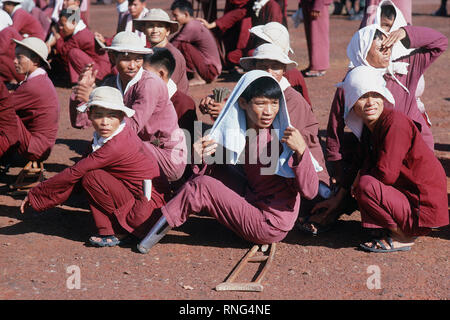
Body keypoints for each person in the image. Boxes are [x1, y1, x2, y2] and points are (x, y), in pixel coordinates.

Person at [136, 70, 319, 253]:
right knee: (213, 168)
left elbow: (310, 192)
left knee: (201, 187)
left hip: (270, 223)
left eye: (274, 103)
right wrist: (199, 156)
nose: (269, 112)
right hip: (253, 197)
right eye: (261, 104)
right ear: (243, 103)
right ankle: (169, 213)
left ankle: (146, 233)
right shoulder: (245, 131)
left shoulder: (282, 139)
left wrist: (301, 151)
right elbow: (214, 164)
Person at [320, 24, 447, 235]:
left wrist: (406, 33)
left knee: (368, 182)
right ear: (362, 50)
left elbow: (439, 42)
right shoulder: (352, 83)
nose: (387, 50)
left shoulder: (404, 68)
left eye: (389, 45)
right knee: (357, 163)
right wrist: (339, 182)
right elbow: (335, 130)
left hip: (409, 158)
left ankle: (401, 231)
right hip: (378, 153)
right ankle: (375, 220)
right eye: (381, 47)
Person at [20, 86, 170, 247]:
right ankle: (112, 225)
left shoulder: (116, 145)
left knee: (91, 177)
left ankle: (119, 230)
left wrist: (37, 194)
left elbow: (75, 171)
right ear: (89, 115)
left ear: (121, 117)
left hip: (147, 211)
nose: (105, 122)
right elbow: (81, 164)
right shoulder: (111, 135)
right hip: (146, 202)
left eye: (111, 116)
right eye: (99, 116)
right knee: (90, 173)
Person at [70, 31, 187, 183]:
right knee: (96, 147)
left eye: (138, 59)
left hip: (166, 155)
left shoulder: (149, 84)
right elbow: (80, 123)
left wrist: (93, 100)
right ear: (112, 58)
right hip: (138, 148)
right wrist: (82, 94)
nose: (133, 65)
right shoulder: (110, 83)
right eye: (126, 59)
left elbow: (131, 129)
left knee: (108, 148)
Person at [5, 37, 59, 164]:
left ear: (35, 60)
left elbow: (5, 106)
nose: (14, 61)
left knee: (5, 115)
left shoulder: (34, 85)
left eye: (19, 57)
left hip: (34, 148)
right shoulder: (40, 79)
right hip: (39, 145)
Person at [46, 8, 112, 85]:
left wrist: (57, 37)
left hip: (101, 73)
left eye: (62, 25)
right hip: (102, 68)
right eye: (59, 25)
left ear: (73, 23)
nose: (60, 28)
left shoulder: (80, 36)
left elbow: (63, 51)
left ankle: (94, 80)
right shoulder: (80, 31)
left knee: (73, 53)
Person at [133, 8, 189, 94]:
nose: (155, 30)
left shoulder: (172, 55)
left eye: (159, 26)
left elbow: (166, 90)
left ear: (167, 31)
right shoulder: (148, 52)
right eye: (151, 26)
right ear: (144, 30)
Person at [170, 0, 222, 86]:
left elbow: (173, 45)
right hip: (208, 67)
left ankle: (198, 77)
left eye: (175, 16)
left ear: (186, 14)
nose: (173, 19)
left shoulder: (191, 26)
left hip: (211, 71)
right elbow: (174, 40)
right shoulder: (192, 23)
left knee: (183, 45)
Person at [299, 0, 332, 77]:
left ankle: (319, 66)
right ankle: (314, 65)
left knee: (318, 36)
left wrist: (318, 6)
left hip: (316, 3)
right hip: (309, 3)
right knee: (312, 36)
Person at [0, 9, 25, 84]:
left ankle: (12, 81)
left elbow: (2, 50)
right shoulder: (9, 30)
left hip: (18, 68)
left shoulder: (6, 31)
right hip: (18, 65)